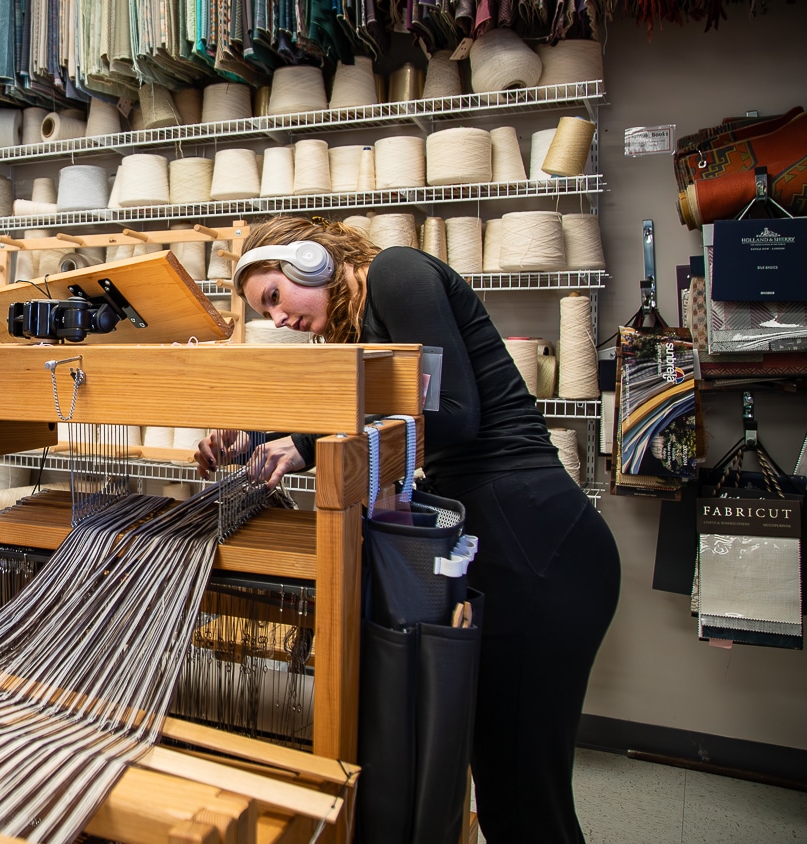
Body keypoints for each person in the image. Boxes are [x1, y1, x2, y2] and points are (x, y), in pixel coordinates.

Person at [194, 215, 621, 844]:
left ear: (312, 261)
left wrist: (305, 444)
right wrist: (254, 442)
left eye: (275, 299)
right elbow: (356, 414)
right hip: (508, 534)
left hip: (538, 539)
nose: (277, 319)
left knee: (527, 790)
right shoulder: (362, 329)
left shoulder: (397, 272)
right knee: (504, 780)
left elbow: (452, 417)